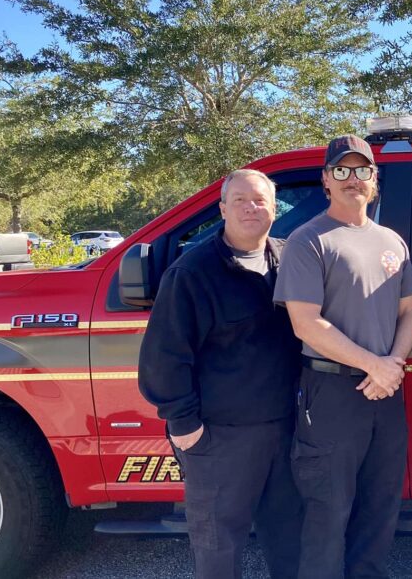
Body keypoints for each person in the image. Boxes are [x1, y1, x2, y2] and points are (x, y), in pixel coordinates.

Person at [139, 168, 302, 579]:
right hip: (220, 435)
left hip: (285, 429)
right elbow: (164, 356)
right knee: (219, 548)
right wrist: (184, 423)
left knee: (290, 539)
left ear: (274, 208)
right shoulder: (193, 273)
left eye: (261, 200)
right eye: (241, 200)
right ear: (222, 208)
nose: (252, 208)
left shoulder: (288, 260)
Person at [274, 135, 412, 579]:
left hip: (385, 392)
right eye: (341, 170)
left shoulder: (391, 240)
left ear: (374, 180)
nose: (352, 179)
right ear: (326, 180)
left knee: (380, 506)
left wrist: (390, 364)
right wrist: (373, 365)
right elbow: (305, 323)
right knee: (327, 511)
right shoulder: (308, 239)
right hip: (331, 392)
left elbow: (409, 309)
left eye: (361, 170)